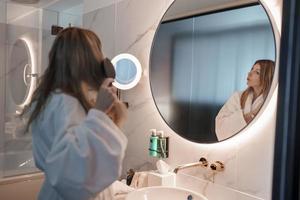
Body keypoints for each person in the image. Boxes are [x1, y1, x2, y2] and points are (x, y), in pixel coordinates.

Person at [21, 27, 128, 200]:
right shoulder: (65, 101)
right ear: (88, 59)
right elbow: (73, 166)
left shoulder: (48, 97)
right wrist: (99, 113)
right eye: (98, 52)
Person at [215, 59, 275, 141]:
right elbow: (220, 126)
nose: (249, 73)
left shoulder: (272, 102)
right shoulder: (238, 97)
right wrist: (252, 114)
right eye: (252, 69)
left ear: (266, 77)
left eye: (257, 72)